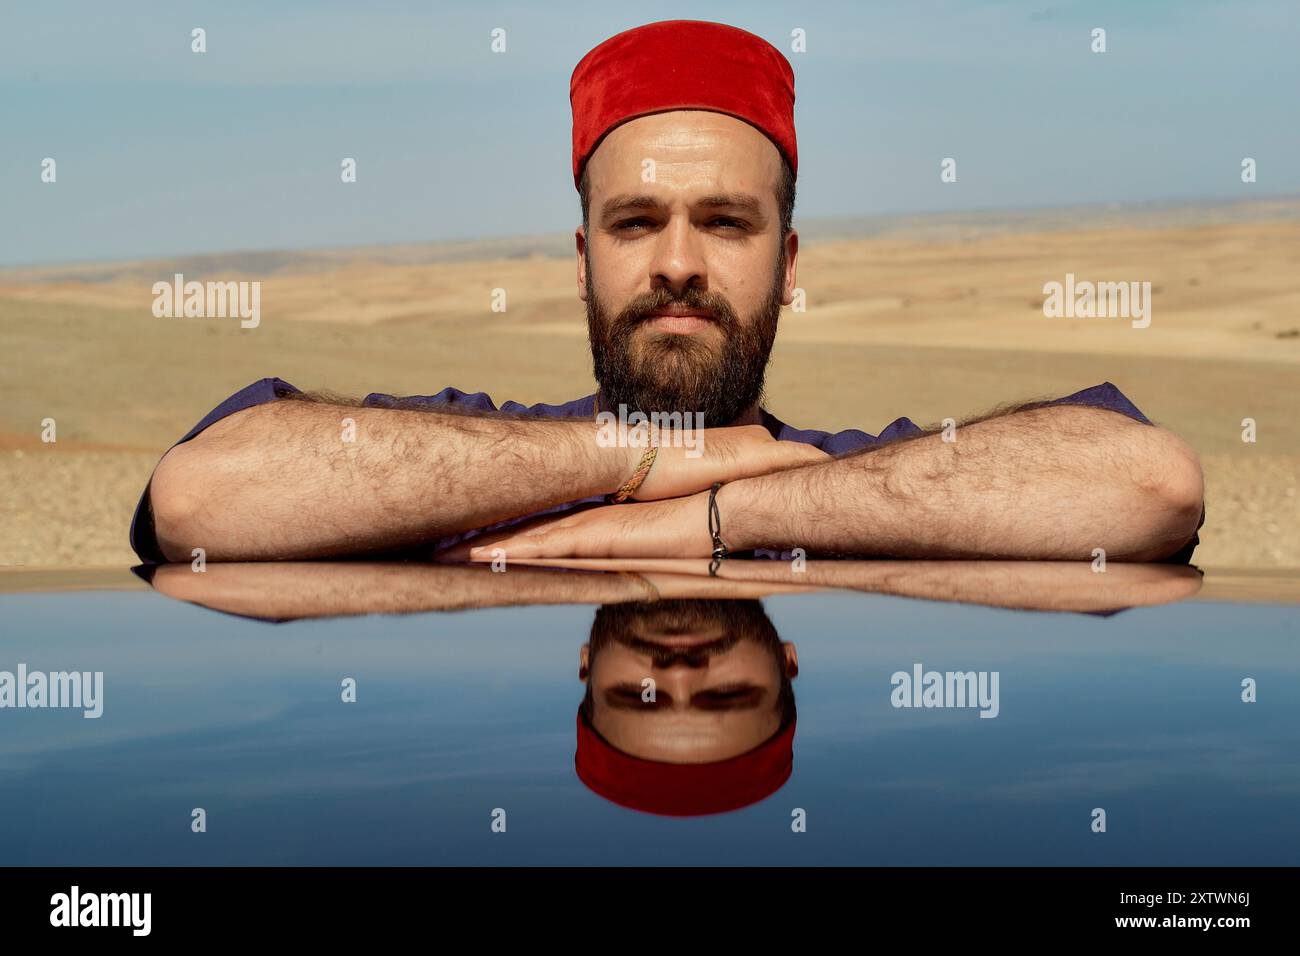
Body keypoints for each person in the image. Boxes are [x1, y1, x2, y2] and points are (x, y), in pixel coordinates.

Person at [132, 20, 1203, 568]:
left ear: (787, 266)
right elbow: (199, 500)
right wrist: (637, 456)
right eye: (635, 222)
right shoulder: (461, 463)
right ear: (582, 258)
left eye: (725, 222)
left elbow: (1145, 485)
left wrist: (727, 510)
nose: (679, 263)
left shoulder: (847, 472)